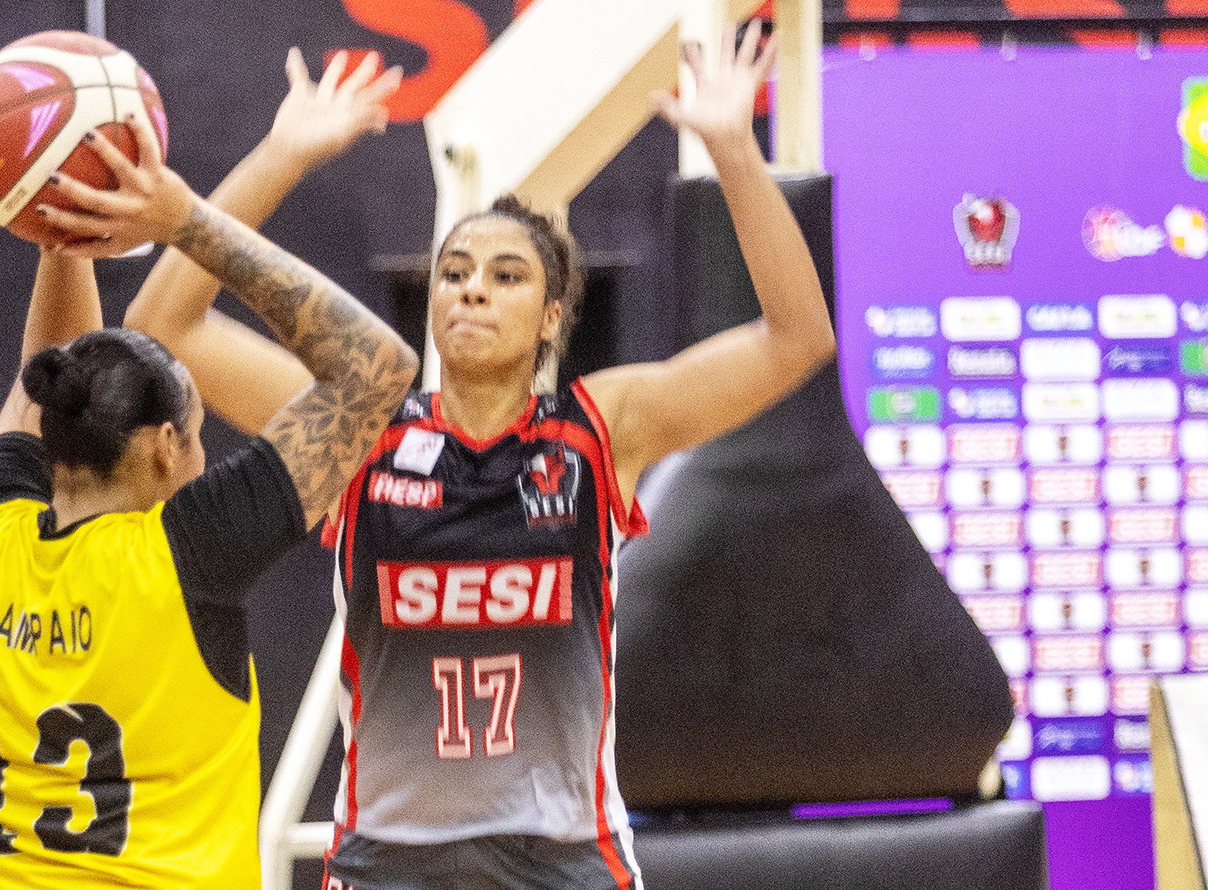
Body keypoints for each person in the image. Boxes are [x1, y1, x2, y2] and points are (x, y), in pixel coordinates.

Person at [124, 23, 837, 890]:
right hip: (390, 861)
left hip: (561, 859)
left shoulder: (601, 429)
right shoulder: (359, 431)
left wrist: (734, 151)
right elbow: (163, 328)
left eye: (507, 276)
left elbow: (798, 338)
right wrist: (283, 155)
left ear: (551, 318)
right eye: (456, 271)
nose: (472, 288)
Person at [0, 51, 415, 890]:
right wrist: (183, 218)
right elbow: (376, 368)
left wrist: (59, 223)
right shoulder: (187, 554)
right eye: (196, 432)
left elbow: (57, 361)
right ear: (163, 447)